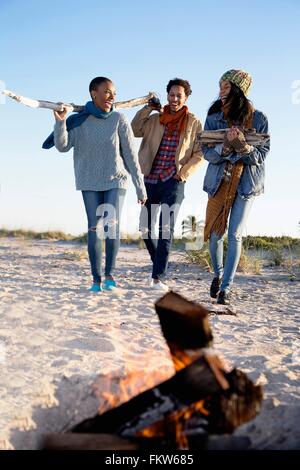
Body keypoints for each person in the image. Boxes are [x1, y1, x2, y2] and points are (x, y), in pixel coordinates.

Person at [43, 76, 147, 292]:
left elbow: (130, 156)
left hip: (115, 180)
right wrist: (61, 121)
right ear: (94, 93)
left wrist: (140, 186)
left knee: (110, 225)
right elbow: (62, 146)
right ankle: (96, 279)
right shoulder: (79, 120)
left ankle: (109, 275)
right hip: (89, 180)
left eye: (114, 93)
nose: (112, 96)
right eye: (107, 91)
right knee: (94, 228)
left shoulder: (119, 118)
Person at [202, 70, 270, 304]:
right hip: (219, 181)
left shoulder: (259, 118)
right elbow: (207, 153)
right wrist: (225, 149)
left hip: (246, 184)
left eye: (226, 86)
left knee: (235, 234)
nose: (221, 91)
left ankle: (226, 288)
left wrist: (243, 147)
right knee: (214, 234)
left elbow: (262, 154)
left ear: (239, 90)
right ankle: (218, 275)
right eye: (220, 85)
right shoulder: (213, 118)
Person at [132, 78, 203, 291]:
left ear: (186, 97)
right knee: (145, 228)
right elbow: (135, 130)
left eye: (179, 95)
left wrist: (183, 173)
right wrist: (147, 108)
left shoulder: (194, 122)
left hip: (174, 180)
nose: (174, 99)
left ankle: (158, 278)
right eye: (171, 95)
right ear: (167, 95)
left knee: (165, 229)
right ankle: (159, 265)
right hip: (150, 179)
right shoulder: (155, 119)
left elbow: (200, 153)